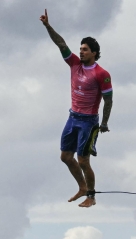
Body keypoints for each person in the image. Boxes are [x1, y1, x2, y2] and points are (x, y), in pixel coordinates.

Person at [39, 9, 113, 208]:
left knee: (83, 160)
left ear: (94, 53)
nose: (81, 52)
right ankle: (81, 187)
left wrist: (104, 123)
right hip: (73, 117)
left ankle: (91, 195)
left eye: (85, 50)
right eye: (80, 49)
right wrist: (48, 26)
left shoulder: (101, 73)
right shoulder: (74, 64)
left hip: (89, 122)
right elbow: (61, 44)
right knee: (65, 157)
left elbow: (108, 100)